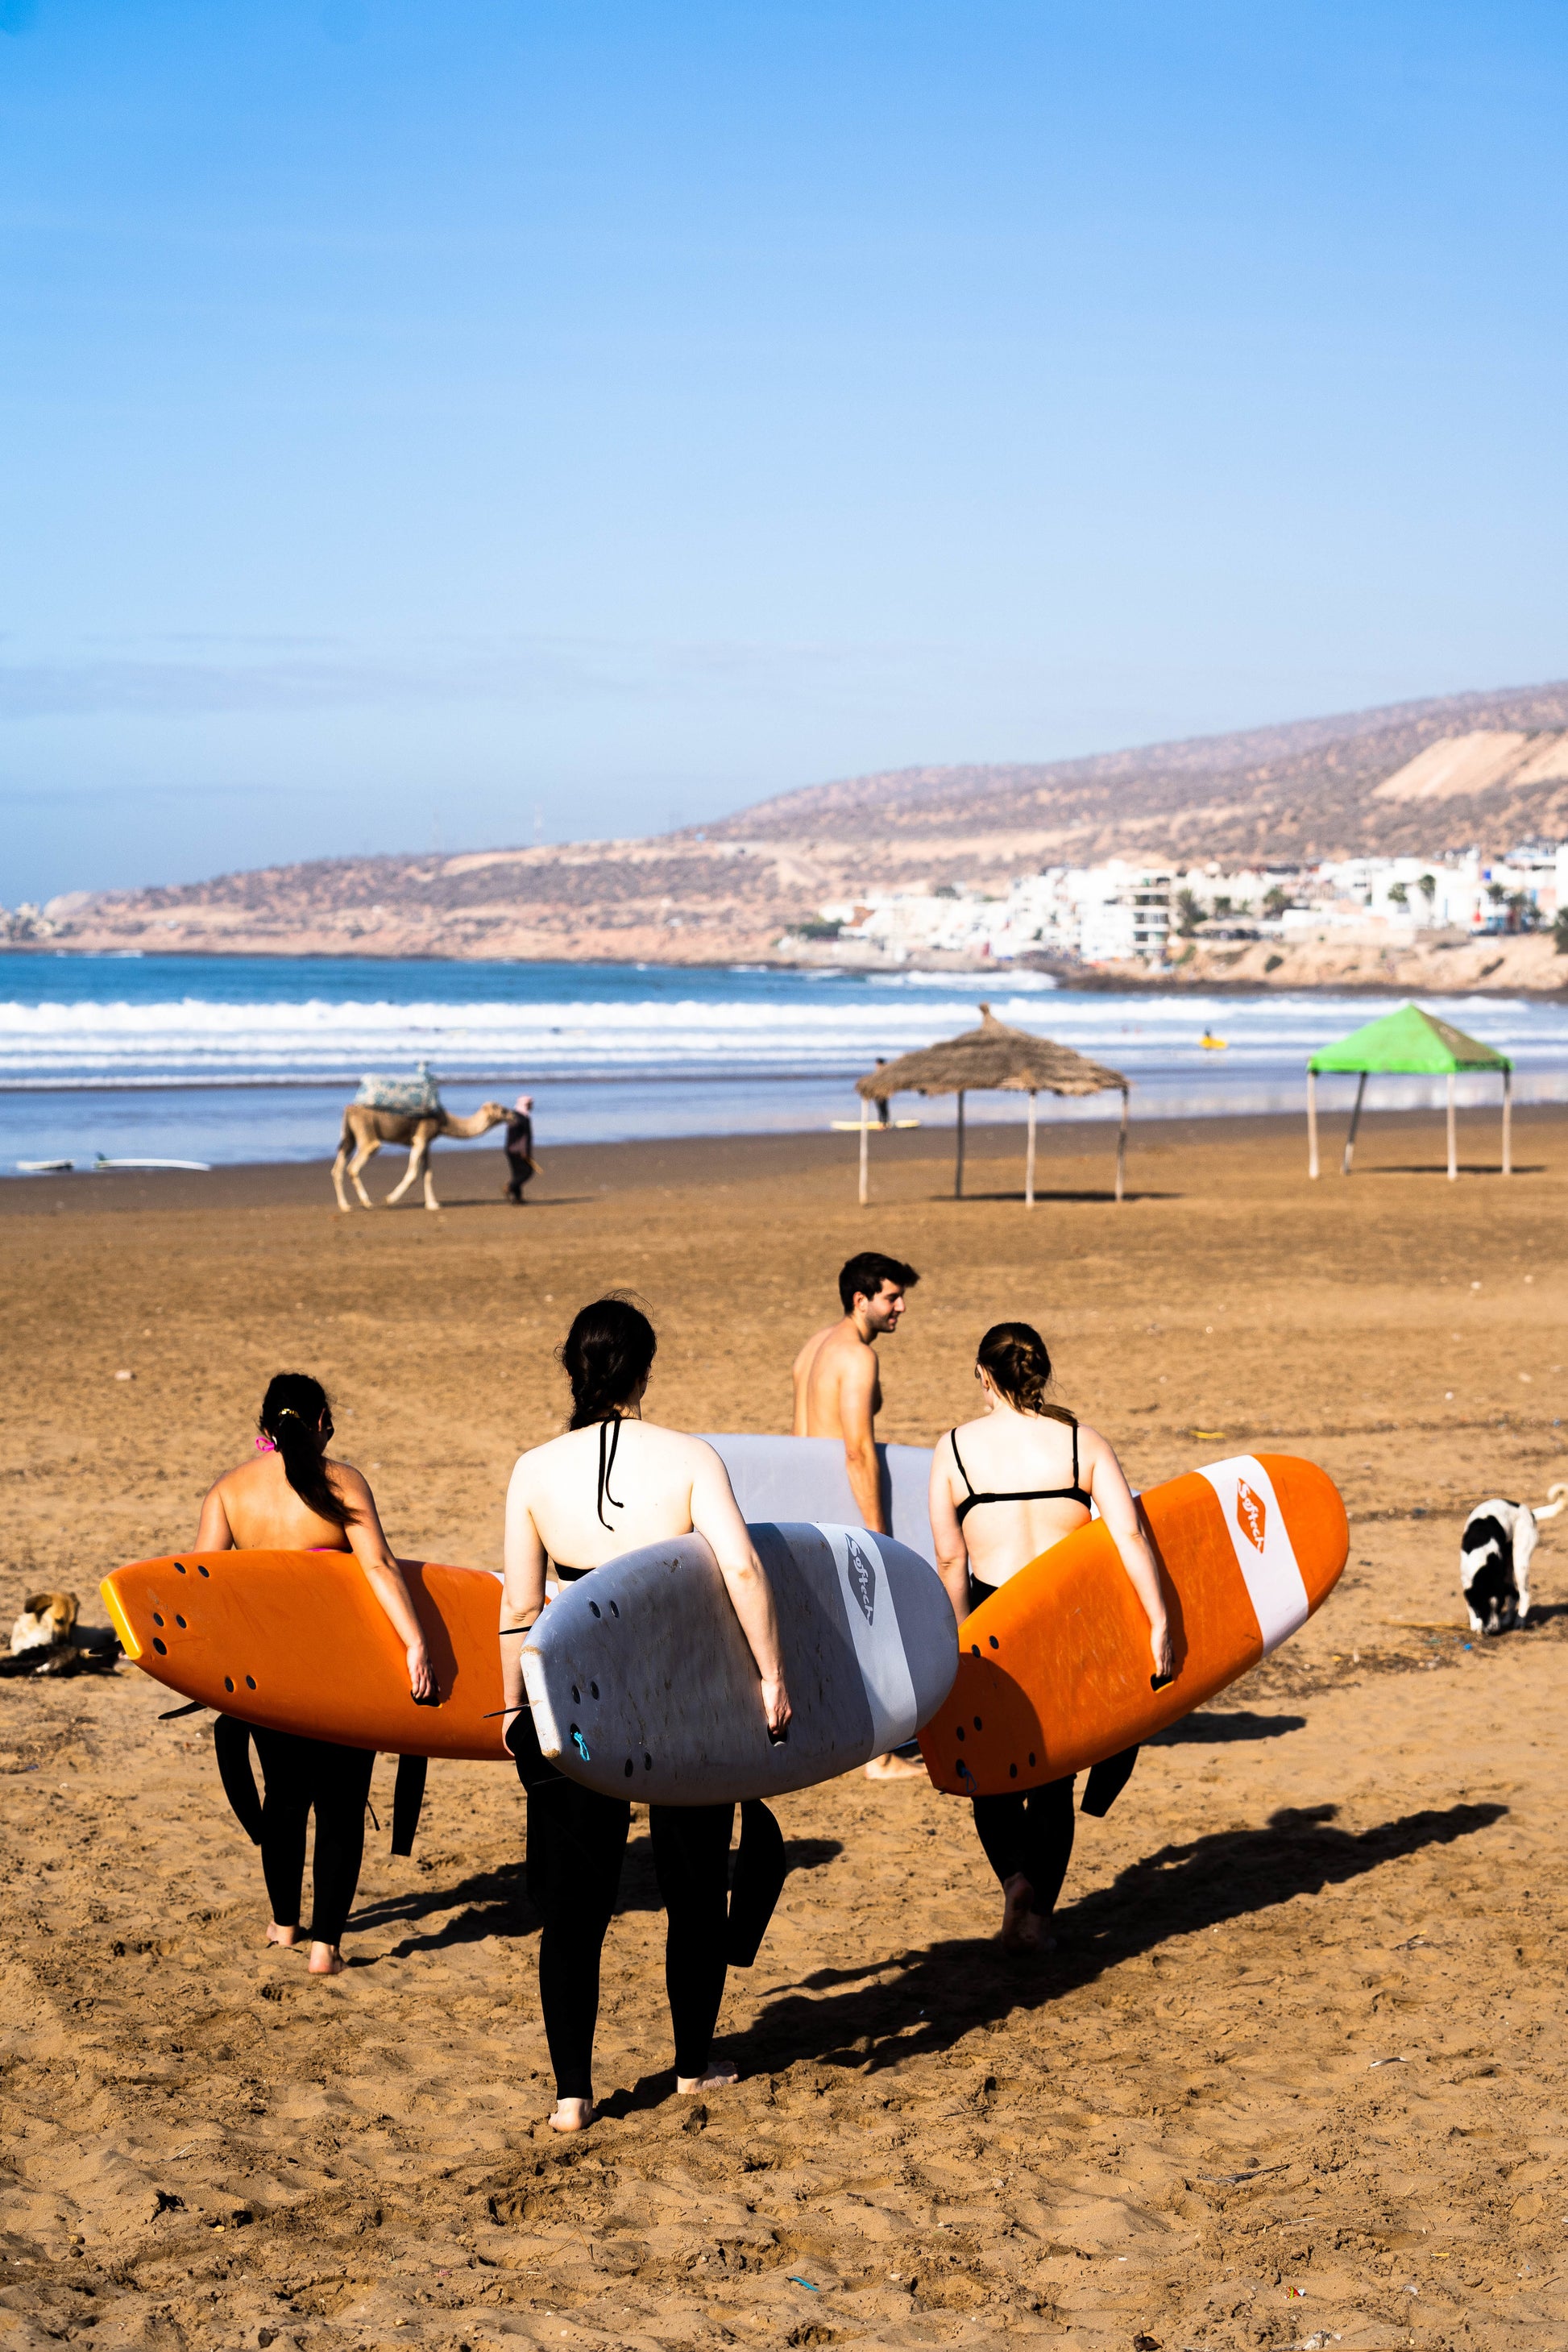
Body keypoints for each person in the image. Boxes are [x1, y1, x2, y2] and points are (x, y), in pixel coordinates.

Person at [499, 1296, 791, 2134]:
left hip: (579, 1703)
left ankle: (571, 2097)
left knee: (576, 1906)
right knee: (694, 1890)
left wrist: (510, 1707)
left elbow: (520, 1606)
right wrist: (771, 1675)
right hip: (678, 1701)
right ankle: (693, 2065)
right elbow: (739, 1568)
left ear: (572, 1368)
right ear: (646, 1368)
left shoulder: (533, 1469)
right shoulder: (689, 1457)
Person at [928, 1321, 1172, 1952]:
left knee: (990, 1768)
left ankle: (1014, 1879)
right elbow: (1130, 1537)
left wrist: (958, 1644)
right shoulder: (1080, 1442)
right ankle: (1037, 1911)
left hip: (993, 1619)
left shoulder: (953, 1449)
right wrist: (1160, 1621)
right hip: (1067, 1625)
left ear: (984, 1375)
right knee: (1053, 1777)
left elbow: (951, 1563)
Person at [194, 1372, 434, 1976]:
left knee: (284, 1798)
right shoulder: (342, 1481)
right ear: (322, 1421)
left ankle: (282, 1925)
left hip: (268, 1677)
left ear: (265, 1429)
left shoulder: (229, 1491)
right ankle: (326, 1945)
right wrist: (416, 1643)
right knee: (342, 1806)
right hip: (345, 1671)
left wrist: (210, 1670)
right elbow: (378, 1565)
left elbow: (199, 1583)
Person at [792, 1250, 922, 1781]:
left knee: (826, 1629)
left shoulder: (813, 1347)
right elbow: (857, 1449)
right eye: (892, 1297)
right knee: (872, 1624)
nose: (902, 1307)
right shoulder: (858, 1357)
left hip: (804, 1503)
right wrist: (877, 1531)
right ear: (860, 1299)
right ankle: (882, 1756)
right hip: (840, 1505)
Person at [504, 1095, 536, 1204]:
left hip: (509, 1148)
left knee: (517, 1174)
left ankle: (518, 1198)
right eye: (530, 1104)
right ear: (526, 1104)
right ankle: (510, 1187)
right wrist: (525, 1152)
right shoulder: (523, 1119)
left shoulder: (513, 1116)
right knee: (527, 1172)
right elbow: (524, 1137)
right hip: (518, 1150)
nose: (532, 1106)